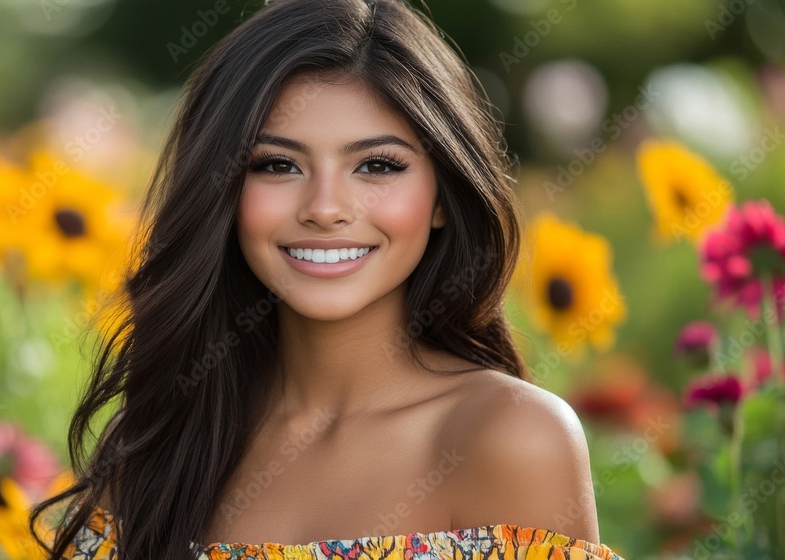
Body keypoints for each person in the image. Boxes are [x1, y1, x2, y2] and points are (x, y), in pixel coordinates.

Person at [31, 1, 626, 559]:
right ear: (224, 191)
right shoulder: (162, 437)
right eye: (277, 165)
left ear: (443, 195)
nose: (324, 207)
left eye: (376, 165)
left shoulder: (511, 437)